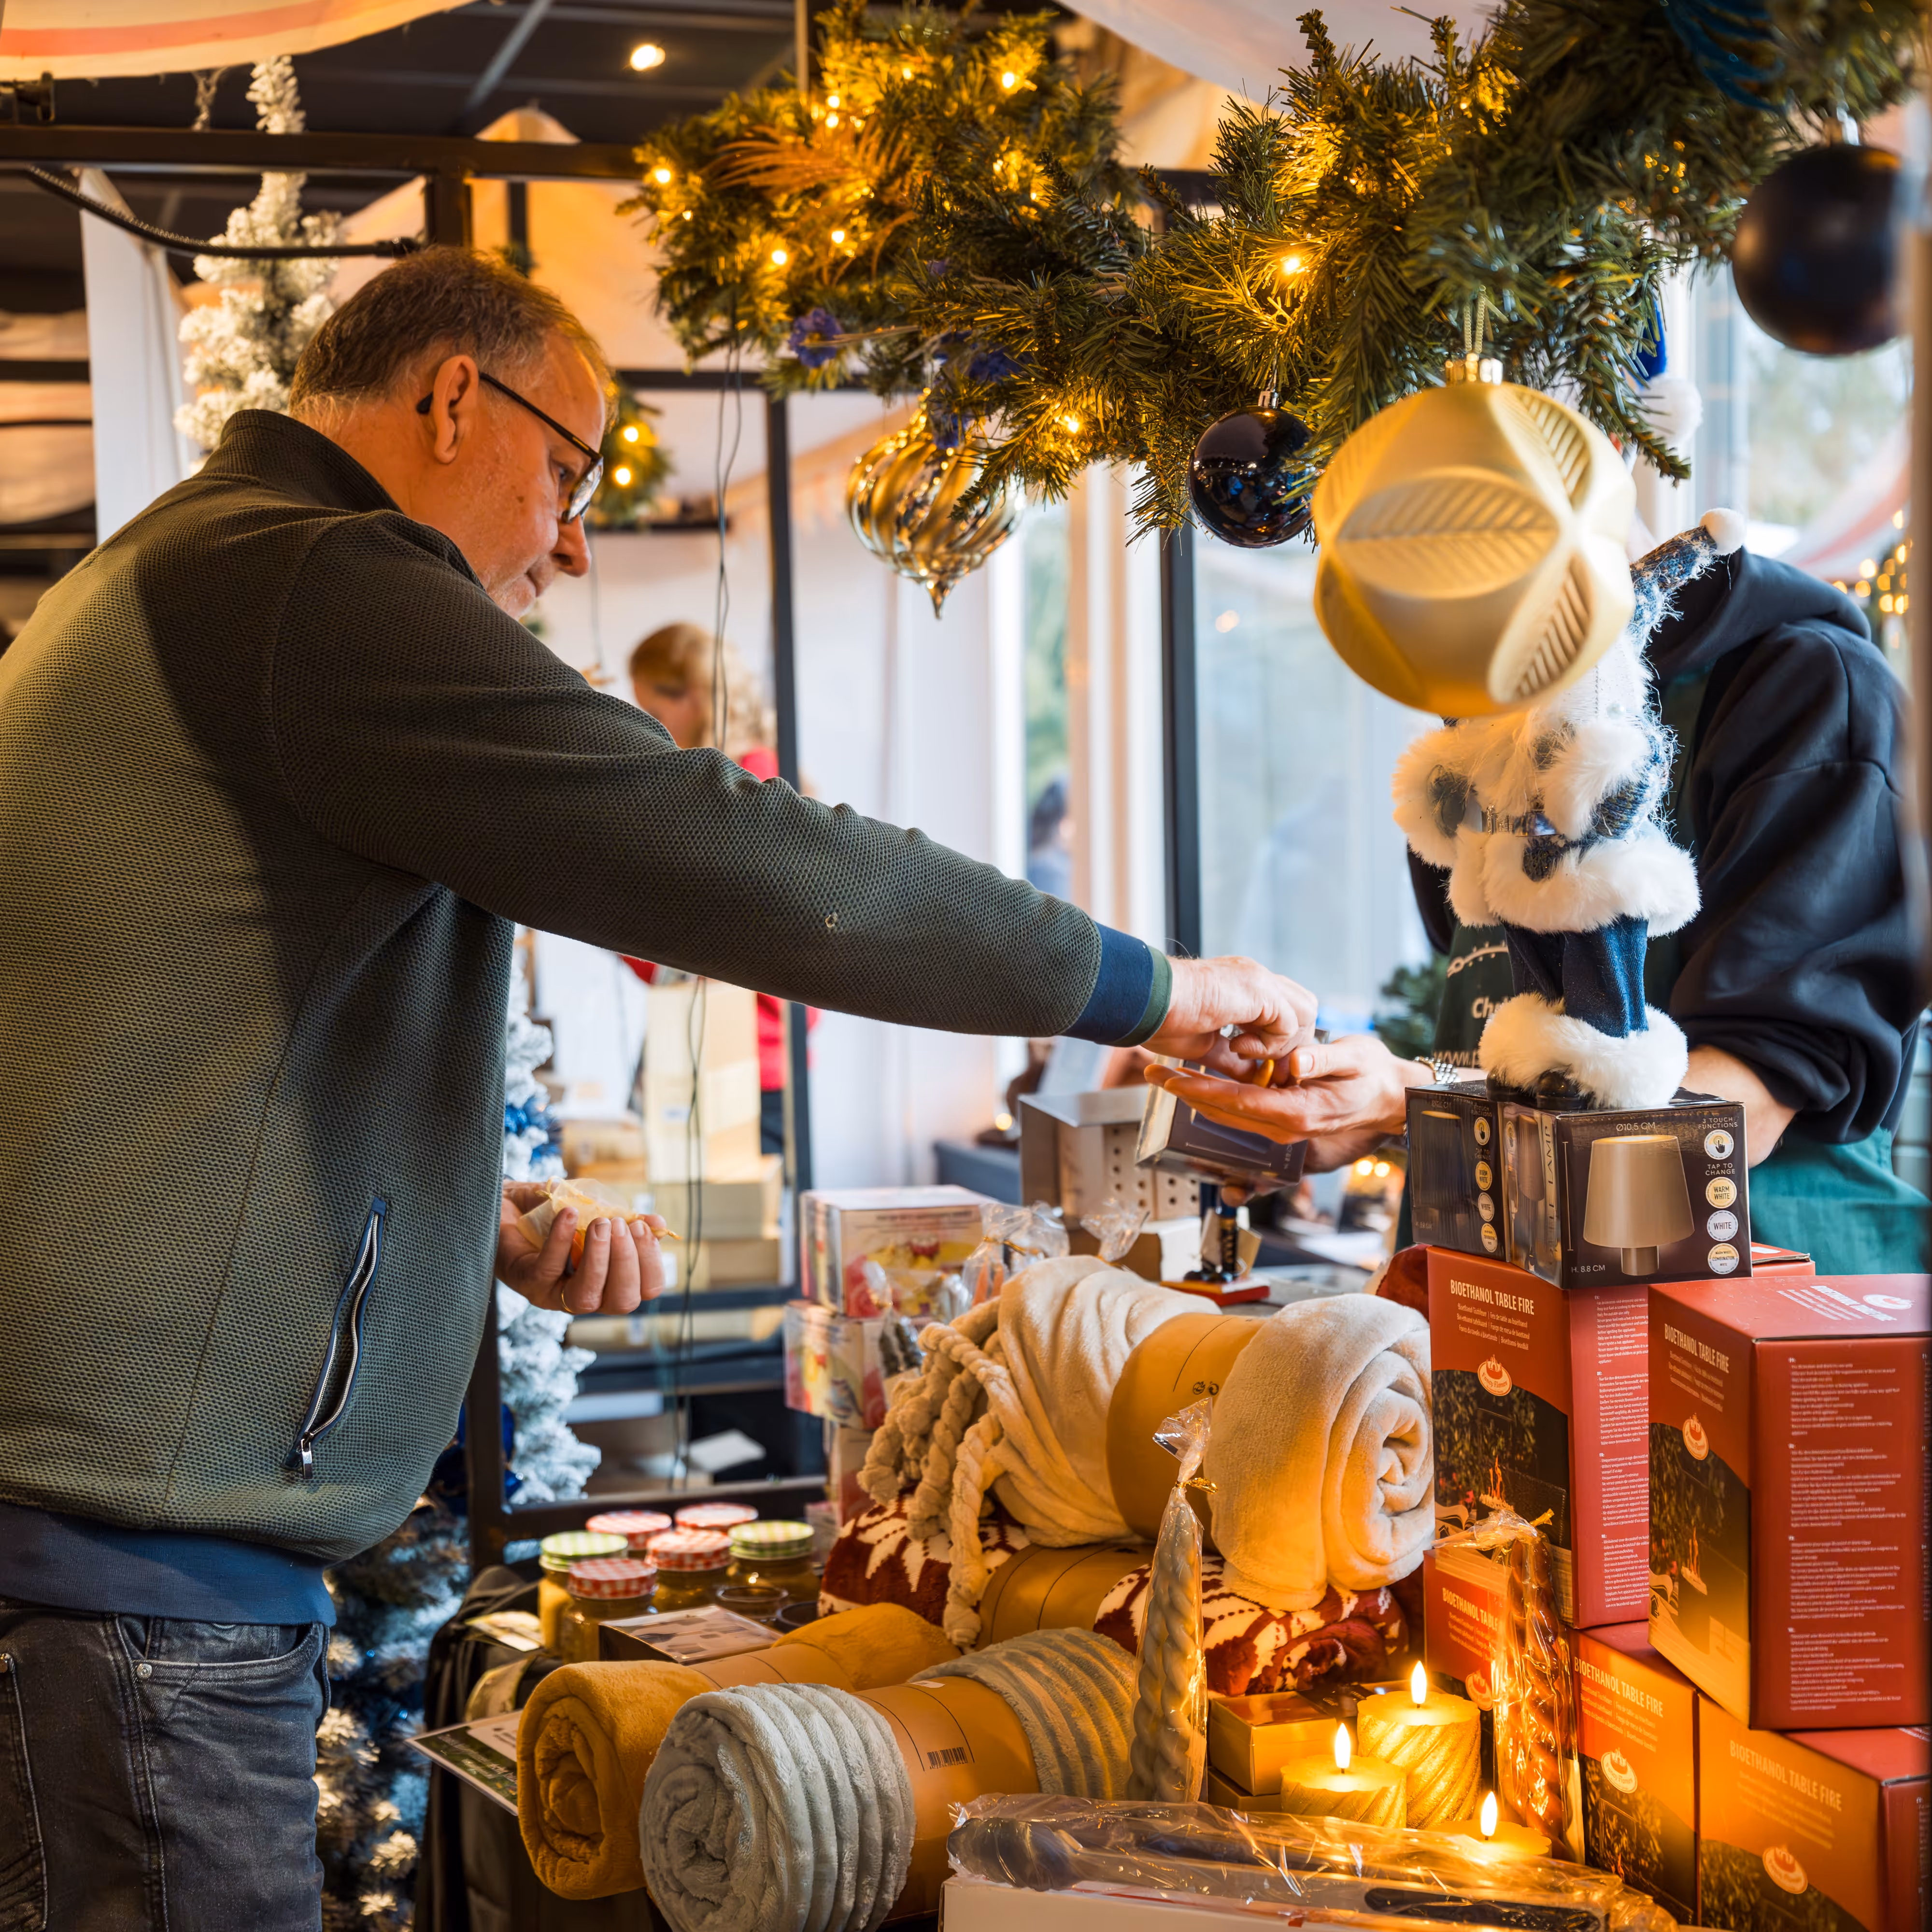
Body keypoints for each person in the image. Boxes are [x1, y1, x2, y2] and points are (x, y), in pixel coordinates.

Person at [0, 247, 1316, 1928]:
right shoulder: (310, 576)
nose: (567, 542)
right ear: (453, 395)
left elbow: (152, 1051)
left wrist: (463, 1223)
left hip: (104, 1554)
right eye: (572, 468)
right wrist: (1152, 985)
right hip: (137, 1581)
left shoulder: (184, 577)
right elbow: (727, 848)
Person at [1147, 540, 1927, 1271]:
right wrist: (1344, 1108)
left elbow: (1735, 1117)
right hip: (1500, 1312)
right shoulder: (1487, 740)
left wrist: (1410, 1103)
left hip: (1746, 1324)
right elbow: (1490, 1067)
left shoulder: (1806, 692)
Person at [620, 621, 806, 1156]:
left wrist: (614, 920)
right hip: (721, 1043)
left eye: (654, 713)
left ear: (696, 698)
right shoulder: (755, 775)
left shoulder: (745, 788)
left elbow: (707, 934)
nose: (650, 729)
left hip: (742, 1054)